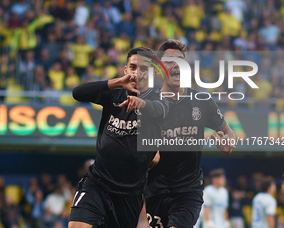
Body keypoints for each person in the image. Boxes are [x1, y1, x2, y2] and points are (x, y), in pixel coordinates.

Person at [69, 47, 167, 228]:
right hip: (97, 183)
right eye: (133, 67)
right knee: (76, 225)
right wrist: (115, 83)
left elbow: (162, 111)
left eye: (144, 69)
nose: (137, 73)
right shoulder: (114, 93)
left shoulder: (159, 97)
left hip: (129, 194)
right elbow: (77, 93)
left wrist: (142, 103)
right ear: (126, 70)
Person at [145, 39, 236, 228]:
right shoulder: (148, 104)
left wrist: (227, 144)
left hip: (189, 190)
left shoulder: (202, 101)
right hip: (156, 191)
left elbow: (229, 133)